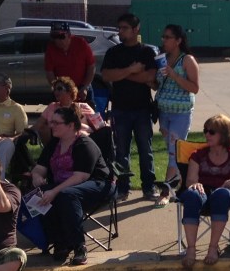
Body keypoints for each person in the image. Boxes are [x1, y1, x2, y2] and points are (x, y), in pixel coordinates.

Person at [28, 105, 113, 266]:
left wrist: (54, 191)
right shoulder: (54, 144)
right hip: (64, 187)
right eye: (51, 122)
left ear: (71, 125)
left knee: (67, 195)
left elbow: (80, 177)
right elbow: (39, 168)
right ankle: (59, 242)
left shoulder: (84, 144)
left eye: (56, 123)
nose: (51, 126)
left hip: (98, 185)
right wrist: (37, 177)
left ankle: (79, 246)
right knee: (38, 195)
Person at [177, 113, 230, 269]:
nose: (207, 134)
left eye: (212, 131)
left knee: (222, 194)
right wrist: (195, 185)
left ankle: (213, 248)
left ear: (224, 134)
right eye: (205, 130)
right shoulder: (198, 155)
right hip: (202, 196)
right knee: (192, 195)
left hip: (224, 196)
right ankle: (191, 250)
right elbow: (190, 180)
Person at [101, 13, 158, 200]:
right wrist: (130, 70)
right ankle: (122, 188)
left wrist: (123, 75)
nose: (120, 31)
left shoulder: (147, 52)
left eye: (124, 28)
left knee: (145, 150)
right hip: (120, 109)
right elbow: (107, 75)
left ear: (136, 29)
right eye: (119, 28)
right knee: (121, 152)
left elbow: (149, 77)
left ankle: (148, 188)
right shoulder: (114, 52)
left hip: (142, 109)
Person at [154, 24, 200, 206]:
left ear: (178, 40)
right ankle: (181, 185)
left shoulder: (187, 60)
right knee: (173, 152)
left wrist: (174, 75)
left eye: (168, 37)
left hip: (181, 113)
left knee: (174, 152)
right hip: (164, 113)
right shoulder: (162, 59)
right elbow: (158, 85)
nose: (164, 40)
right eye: (163, 37)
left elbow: (194, 88)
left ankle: (165, 191)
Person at [33, 76, 100, 144]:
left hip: (81, 141)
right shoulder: (52, 106)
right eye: (54, 89)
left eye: (59, 89)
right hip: (57, 142)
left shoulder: (83, 107)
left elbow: (99, 125)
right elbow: (38, 125)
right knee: (44, 128)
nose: (56, 91)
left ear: (70, 91)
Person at [43, 21, 96, 102]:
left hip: (82, 86)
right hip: (63, 90)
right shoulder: (51, 49)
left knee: (89, 112)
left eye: (61, 36)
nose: (57, 40)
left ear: (69, 35)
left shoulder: (81, 44)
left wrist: (85, 87)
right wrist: (57, 89)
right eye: (54, 36)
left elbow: (91, 67)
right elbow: (49, 72)